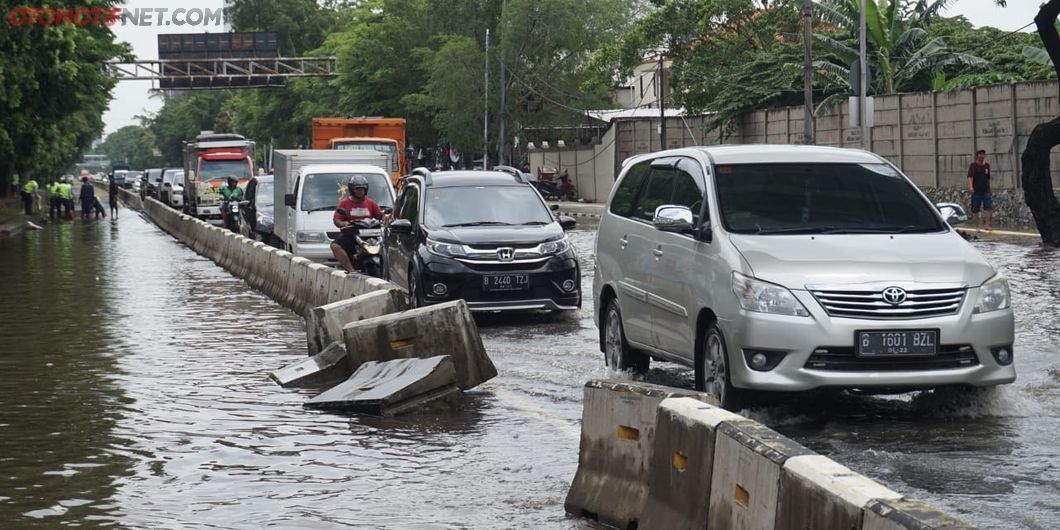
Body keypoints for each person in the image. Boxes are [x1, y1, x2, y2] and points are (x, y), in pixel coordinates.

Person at [330, 175, 383, 273]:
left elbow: (380, 215)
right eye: (358, 189)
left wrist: (386, 218)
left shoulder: (371, 203)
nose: (360, 191)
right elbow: (337, 219)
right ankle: (351, 269)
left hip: (370, 235)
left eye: (362, 189)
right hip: (351, 235)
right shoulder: (344, 203)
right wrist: (342, 223)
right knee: (335, 246)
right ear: (352, 190)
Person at [967, 149, 992, 232]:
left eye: (984, 154)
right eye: (981, 154)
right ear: (977, 155)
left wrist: (989, 188)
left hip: (985, 190)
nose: (982, 156)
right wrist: (971, 187)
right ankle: (977, 226)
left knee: (988, 207)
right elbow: (970, 177)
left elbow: (988, 178)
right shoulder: (973, 166)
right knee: (975, 209)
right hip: (976, 190)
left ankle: (987, 225)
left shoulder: (987, 166)